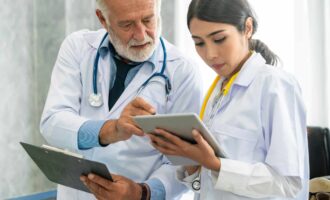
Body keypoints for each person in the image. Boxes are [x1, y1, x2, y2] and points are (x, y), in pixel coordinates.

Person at [40, 0, 203, 199]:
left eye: (148, 20)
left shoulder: (182, 72)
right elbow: (52, 123)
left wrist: (141, 192)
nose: (142, 34)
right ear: (103, 19)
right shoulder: (78, 48)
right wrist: (111, 130)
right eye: (127, 25)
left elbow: (185, 163)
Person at [149, 0, 309, 199]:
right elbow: (208, 185)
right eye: (199, 43)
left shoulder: (276, 85)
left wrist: (215, 164)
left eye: (219, 39)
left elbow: (289, 184)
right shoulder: (218, 90)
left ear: (247, 28)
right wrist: (190, 161)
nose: (210, 54)